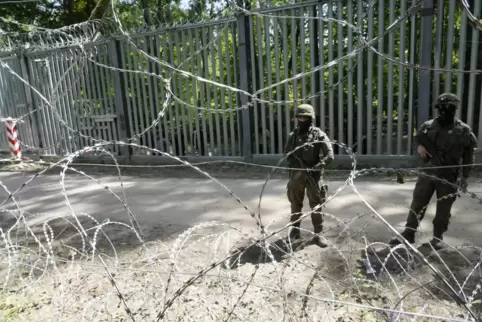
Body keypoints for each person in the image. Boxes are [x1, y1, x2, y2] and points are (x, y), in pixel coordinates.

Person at [389, 93, 477, 249]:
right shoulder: (428, 126)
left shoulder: (464, 130)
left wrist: (465, 177)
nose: (445, 110)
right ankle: (409, 234)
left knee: (444, 209)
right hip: (427, 173)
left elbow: (468, 156)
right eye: (442, 107)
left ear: (455, 109)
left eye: (449, 107)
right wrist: (419, 147)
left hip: (449, 175)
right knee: (417, 204)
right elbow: (417, 139)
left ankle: (437, 237)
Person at [284, 104, 334, 247]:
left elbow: (330, 156)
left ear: (311, 118)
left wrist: (315, 168)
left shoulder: (319, 134)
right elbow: (287, 155)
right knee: (295, 205)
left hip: (314, 177)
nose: (302, 119)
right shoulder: (292, 136)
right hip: (297, 176)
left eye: (305, 117)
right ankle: (294, 232)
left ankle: (318, 234)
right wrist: (299, 167)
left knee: (316, 206)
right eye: (300, 117)